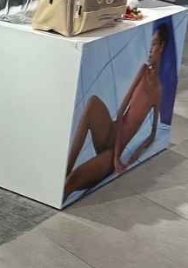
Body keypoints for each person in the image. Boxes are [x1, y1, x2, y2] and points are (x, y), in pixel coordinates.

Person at [64, 23, 169, 199]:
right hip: (110, 132)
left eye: (154, 44)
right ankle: (65, 170)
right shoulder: (143, 71)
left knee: (72, 181)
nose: (150, 50)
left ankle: (66, 180)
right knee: (92, 102)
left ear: (162, 47)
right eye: (150, 44)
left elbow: (152, 134)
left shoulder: (158, 91)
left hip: (113, 151)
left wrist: (128, 159)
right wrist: (116, 160)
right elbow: (121, 113)